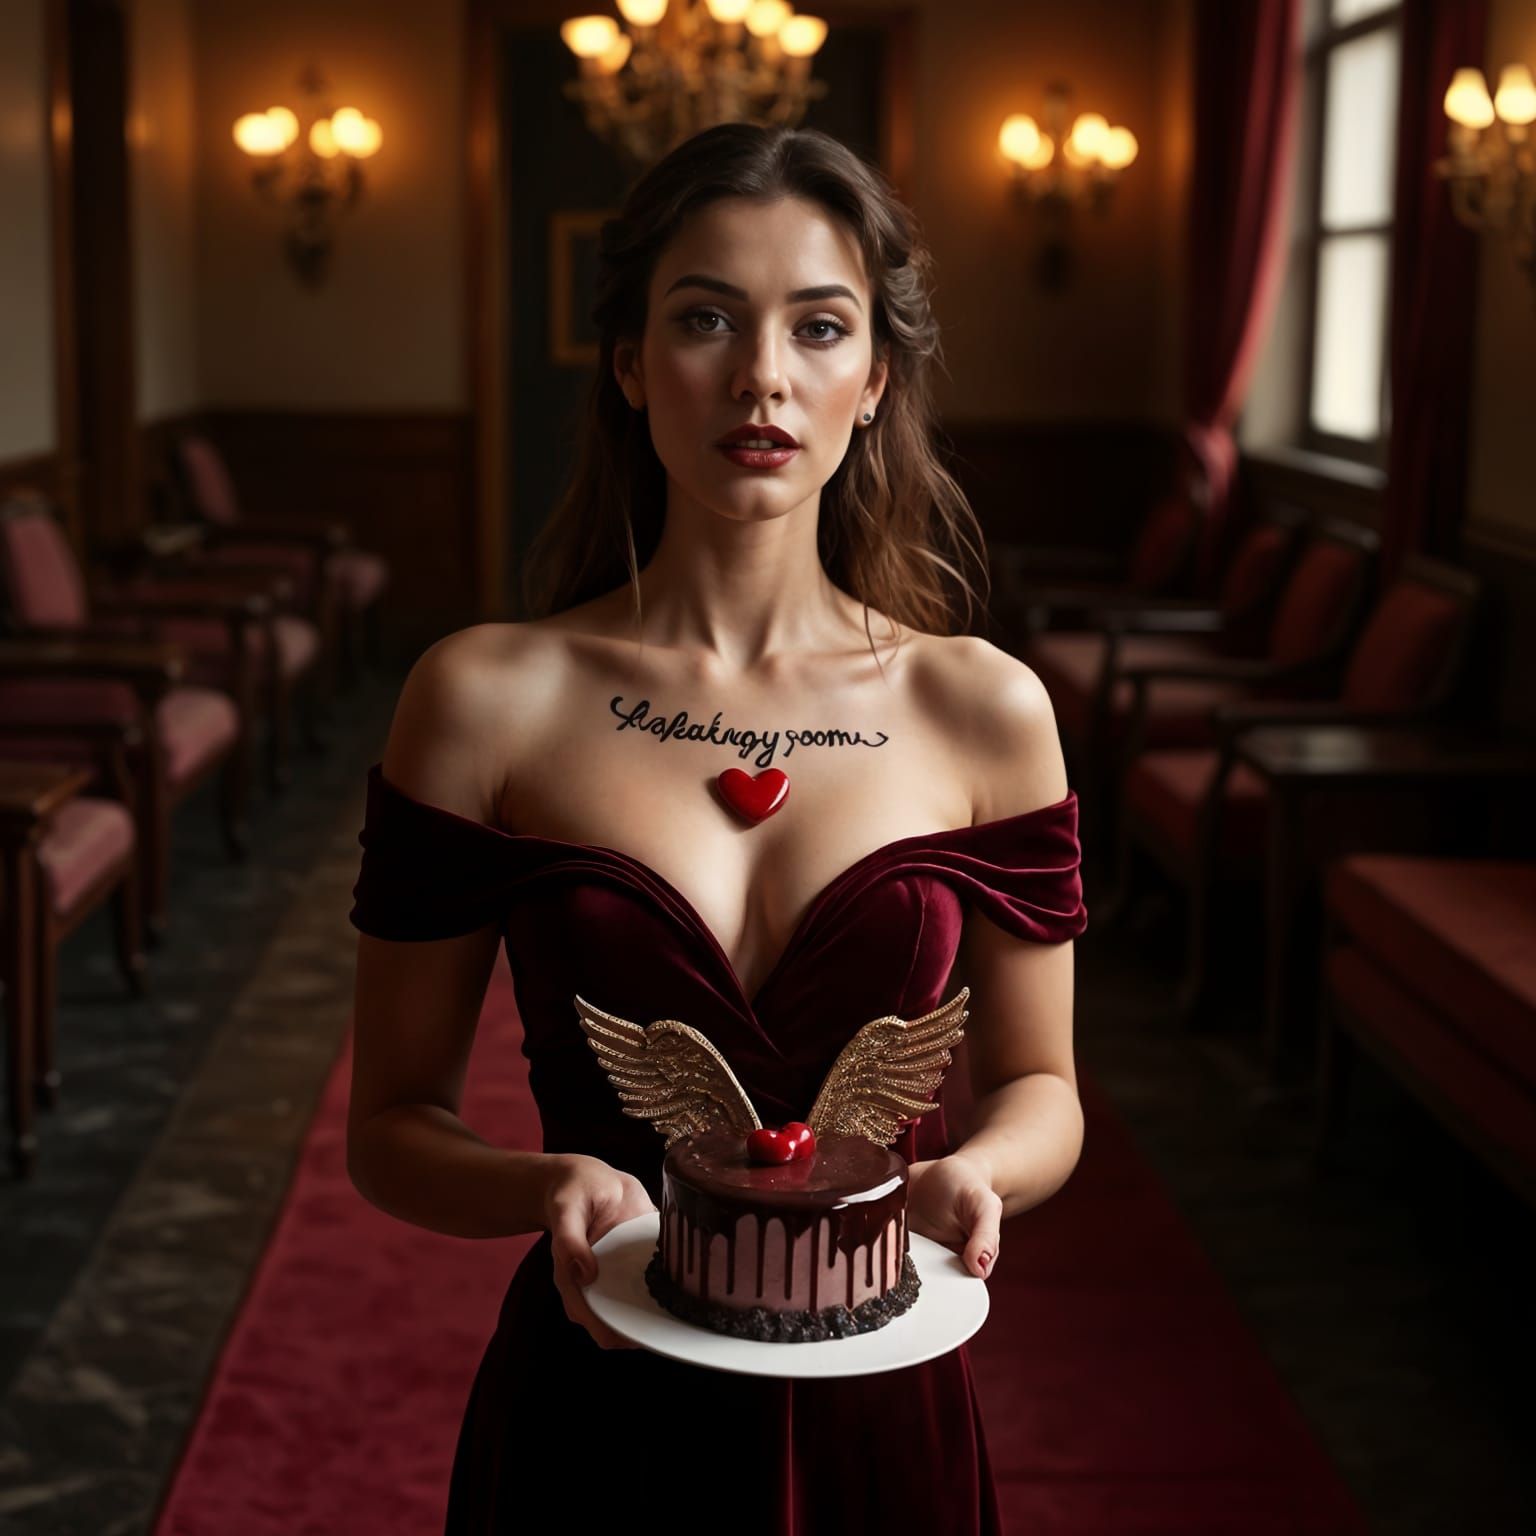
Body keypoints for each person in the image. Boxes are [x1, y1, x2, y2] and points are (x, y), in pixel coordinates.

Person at [347, 121, 1088, 1535]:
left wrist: (977, 1173)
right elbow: (390, 1129)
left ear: (875, 377)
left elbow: (1045, 1089)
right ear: (628, 364)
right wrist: (546, 1182)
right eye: (704, 319)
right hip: (595, 1392)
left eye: (818, 328)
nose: (762, 377)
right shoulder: (485, 697)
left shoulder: (985, 708)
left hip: (885, 1404)